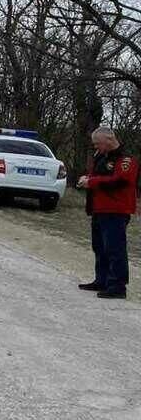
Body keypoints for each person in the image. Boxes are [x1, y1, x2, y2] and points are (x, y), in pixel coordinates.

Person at [76, 126, 137, 299]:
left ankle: (118, 285)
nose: (96, 147)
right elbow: (97, 175)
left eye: (98, 144)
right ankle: (101, 280)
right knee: (99, 247)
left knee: (114, 248)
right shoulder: (101, 157)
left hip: (116, 210)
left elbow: (119, 181)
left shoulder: (126, 159)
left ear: (109, 140)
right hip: (99, 209)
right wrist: (86, 179)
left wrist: (92, 182)